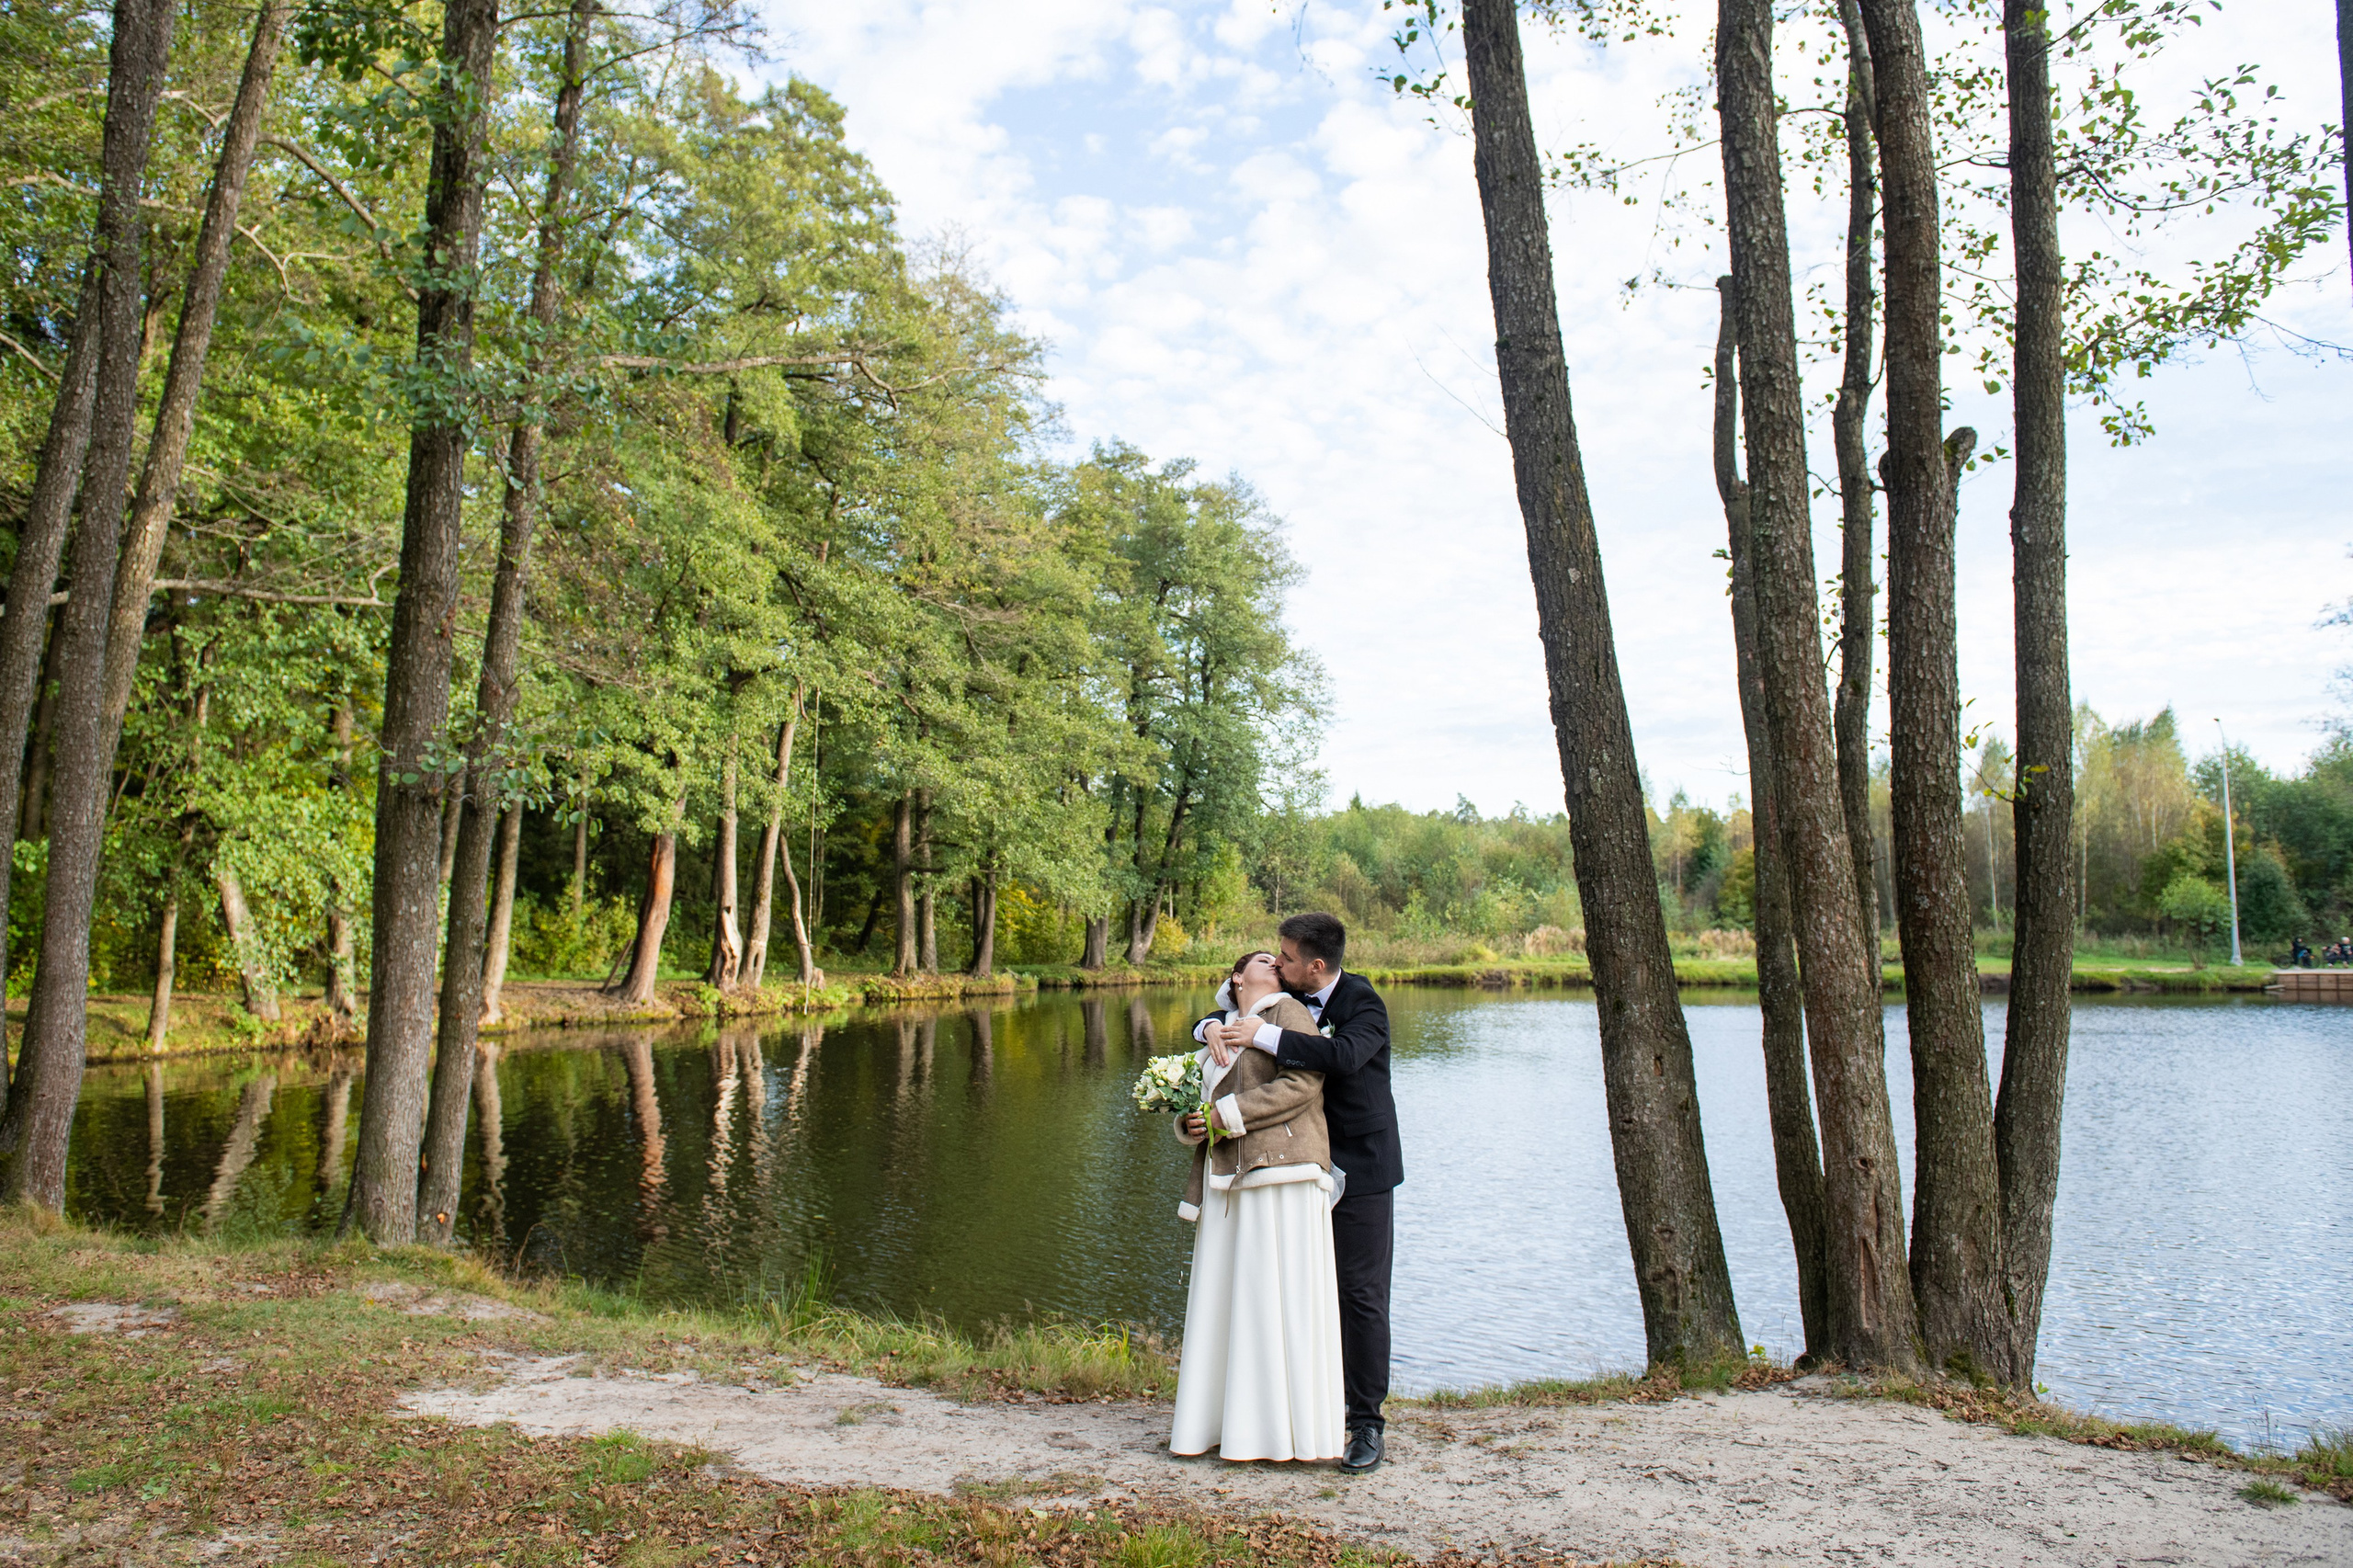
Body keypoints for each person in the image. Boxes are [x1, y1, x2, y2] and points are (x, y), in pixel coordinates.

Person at [1199, 911, 1399, 1475]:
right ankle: (1297, 1413)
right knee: (1294, 1288)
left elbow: (1343, 1057)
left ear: (1316, 965)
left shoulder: (1363, 1003)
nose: (1277, 962)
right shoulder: (1287, 995)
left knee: (1359, 1294)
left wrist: (1262, 1036)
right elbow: (1229, 1007)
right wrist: (1207, 1027)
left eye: (1285, 957)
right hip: (1296, 1166)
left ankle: (1366, 1423)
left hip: (1361, 1165)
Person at [1168, 949, 1344, 1463]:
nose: (1276, 963)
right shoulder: (1218, 1027)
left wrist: (1225, 1115)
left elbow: (1304, 1083)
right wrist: (1192, 1122)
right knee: (1229, 1298)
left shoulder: (1289, 1011)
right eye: (1265, 959)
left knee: (1274, 1295)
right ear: (1237, 977)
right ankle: (1222, 1425)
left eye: (1279, 958)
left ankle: (1285, 1433)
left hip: (1281, 1174)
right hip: (1227, 1178)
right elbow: (1199, 1096)